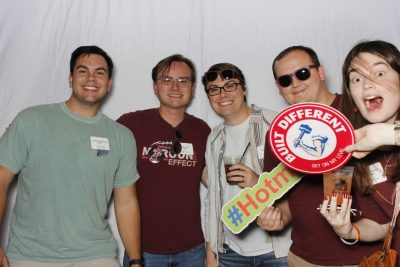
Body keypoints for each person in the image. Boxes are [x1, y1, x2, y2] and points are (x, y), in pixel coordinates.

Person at [0, 46, 141, 267]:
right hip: (31, 256)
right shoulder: (31, 121)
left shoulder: (121, 136)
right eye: (83, 71)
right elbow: (1, 180)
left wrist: (135, 260)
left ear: (109, 83)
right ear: (70, 78)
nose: (91, 78)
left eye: (100, 72)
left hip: (97, 255)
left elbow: (126, 202)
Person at [258, 45, 381, 266]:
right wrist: (278, 219)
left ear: (321, 72)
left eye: (302, 73)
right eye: (285, 80)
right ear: (279, 88)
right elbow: (286, 199)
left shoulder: (361, 111)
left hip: (361, 259)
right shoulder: (279, 133)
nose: (295, 83)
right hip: (304, 258)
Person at [117, 54, 210, 267]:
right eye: (167, 80)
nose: (175, 87)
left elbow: (213, 182)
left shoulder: (202, 130)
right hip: (144, 251)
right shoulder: (130, 124)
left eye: (183, 80)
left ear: (193, 88)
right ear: (155, 87)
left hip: (192, 250)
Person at [319, 40, 400, 266]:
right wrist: (348, 231)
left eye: (380, 72)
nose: (366, 85)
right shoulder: (360, 152)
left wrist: (390, 134)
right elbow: (382, 225)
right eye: (356, 78)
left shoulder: (381, 138)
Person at [202, 63, 290, 267]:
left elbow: (299, 186)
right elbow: (212, 197)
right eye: (214, 89)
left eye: (230, 85)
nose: (222, 94)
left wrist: (257, 182)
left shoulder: (275, 124)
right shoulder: (214, 137)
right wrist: (211, 250)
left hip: (276, 252)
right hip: (230, 251)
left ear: (243, 89)